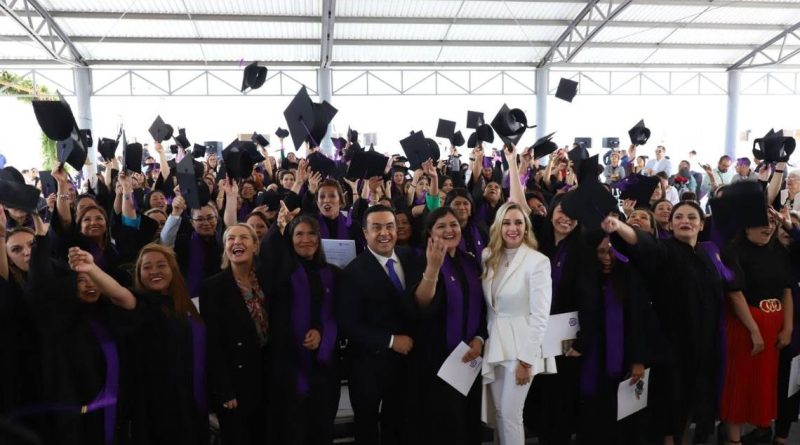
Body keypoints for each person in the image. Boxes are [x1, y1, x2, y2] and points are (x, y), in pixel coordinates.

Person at [601, 201, 724, 445]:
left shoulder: (707, 254)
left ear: (701, 224)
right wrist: (619, 226)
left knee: (695, 404)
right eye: (678, 217)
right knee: (671, 409)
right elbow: (644, 244)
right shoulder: (665, 250)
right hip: (673, 348)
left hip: (704, 346)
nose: (685, 221)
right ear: (670, 224)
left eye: (691, 217)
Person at [68, 243, 209, 445]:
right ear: (139, 273)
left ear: (173, 269)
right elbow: (117, 292)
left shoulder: (185, 305)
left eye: (161, 265)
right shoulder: (140, 302)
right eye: (147, 267)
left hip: (189, 399)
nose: (154, 271)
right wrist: (91, 268)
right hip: (156, 403)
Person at [337, 205, 423, 445]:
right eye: (376, 227)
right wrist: (391, 341)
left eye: (389, 226)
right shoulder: (352, 272)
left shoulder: (411, 259)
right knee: (367, 427)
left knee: (399, 423)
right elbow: (348, 324)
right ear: (365, 233)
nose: (384, 233)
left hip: (406, 364)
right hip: (368, 365)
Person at [266, 212, 341, 444]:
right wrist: (278, 227)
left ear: (319, 239)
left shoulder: (333, 273)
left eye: (311, 234)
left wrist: (321, 331)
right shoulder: (280, 273)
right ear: (289, 239)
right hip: (289, 362)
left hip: (324, 362)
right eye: (298, 234)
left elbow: (338, 313)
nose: (305, 239)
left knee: (322, 424)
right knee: (293, 427)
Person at [413, 207, 486, 445]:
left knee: (468, 420)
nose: (449, 230)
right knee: (444, 424)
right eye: (441, 226)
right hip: (437, 358)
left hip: (470, 357)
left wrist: (479, 339)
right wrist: (433, 267)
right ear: (430, 233)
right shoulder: (418, 259)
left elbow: (482, 306)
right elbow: (422, 304)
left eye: (453, 224)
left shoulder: (471, 262)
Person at [481, 201, 552, 445]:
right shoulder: (488, 255)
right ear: (498, 226)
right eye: (507, 222)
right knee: (500, 414)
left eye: (519, 222)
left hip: (522, 348)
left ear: (526, 227)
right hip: (495, 344)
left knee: (511, 415)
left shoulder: (538, 261)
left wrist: (526, 359)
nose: (513, 228)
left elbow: (540, 315)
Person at [720, 210, 793, 445]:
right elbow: (735, 294)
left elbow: (786, 291)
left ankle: (761, 428)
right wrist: (753, 330)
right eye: (763, 222)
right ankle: (733, 439)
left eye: (772, 221)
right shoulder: (733, 251)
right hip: (744, 324)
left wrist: (788, 327)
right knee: (738, 382)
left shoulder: (778, 251)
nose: (769, 227)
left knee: (765, 382)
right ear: (746, 225)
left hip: (775, 325)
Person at [200, 224, 270, 445]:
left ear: (255, 244)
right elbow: (213, 343)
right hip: (235, 382)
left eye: (243, 238)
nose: (237, 242)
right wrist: (224, 390)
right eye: (231, 238)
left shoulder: (268, 279)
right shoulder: (212, 287)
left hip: (268, 375)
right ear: (225, 247)